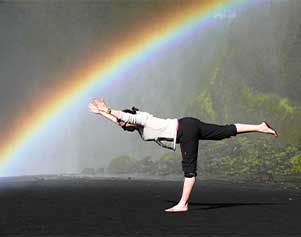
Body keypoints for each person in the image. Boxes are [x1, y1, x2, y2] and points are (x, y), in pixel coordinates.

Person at [88, 98, 278, 212]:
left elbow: (126, 118)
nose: (123, 127)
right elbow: (121, 121)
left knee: (189, 170)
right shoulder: (138, 124)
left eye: (123, 124)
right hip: (188, 124)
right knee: (224, 131)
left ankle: (183, 204)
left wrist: (108, 109)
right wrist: (101, 114)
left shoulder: (140, 120)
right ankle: (260, 127)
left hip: (184, 132)